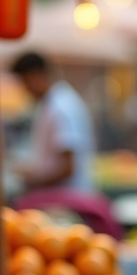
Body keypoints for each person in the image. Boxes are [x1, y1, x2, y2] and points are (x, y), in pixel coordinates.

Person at [10, 52, 95, 193]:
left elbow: (68, 168)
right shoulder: (54, 103)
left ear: (35, 76)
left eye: (24, 82)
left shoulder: (61, 107)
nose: (25, 89)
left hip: (67, 199)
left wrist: (34, 181)